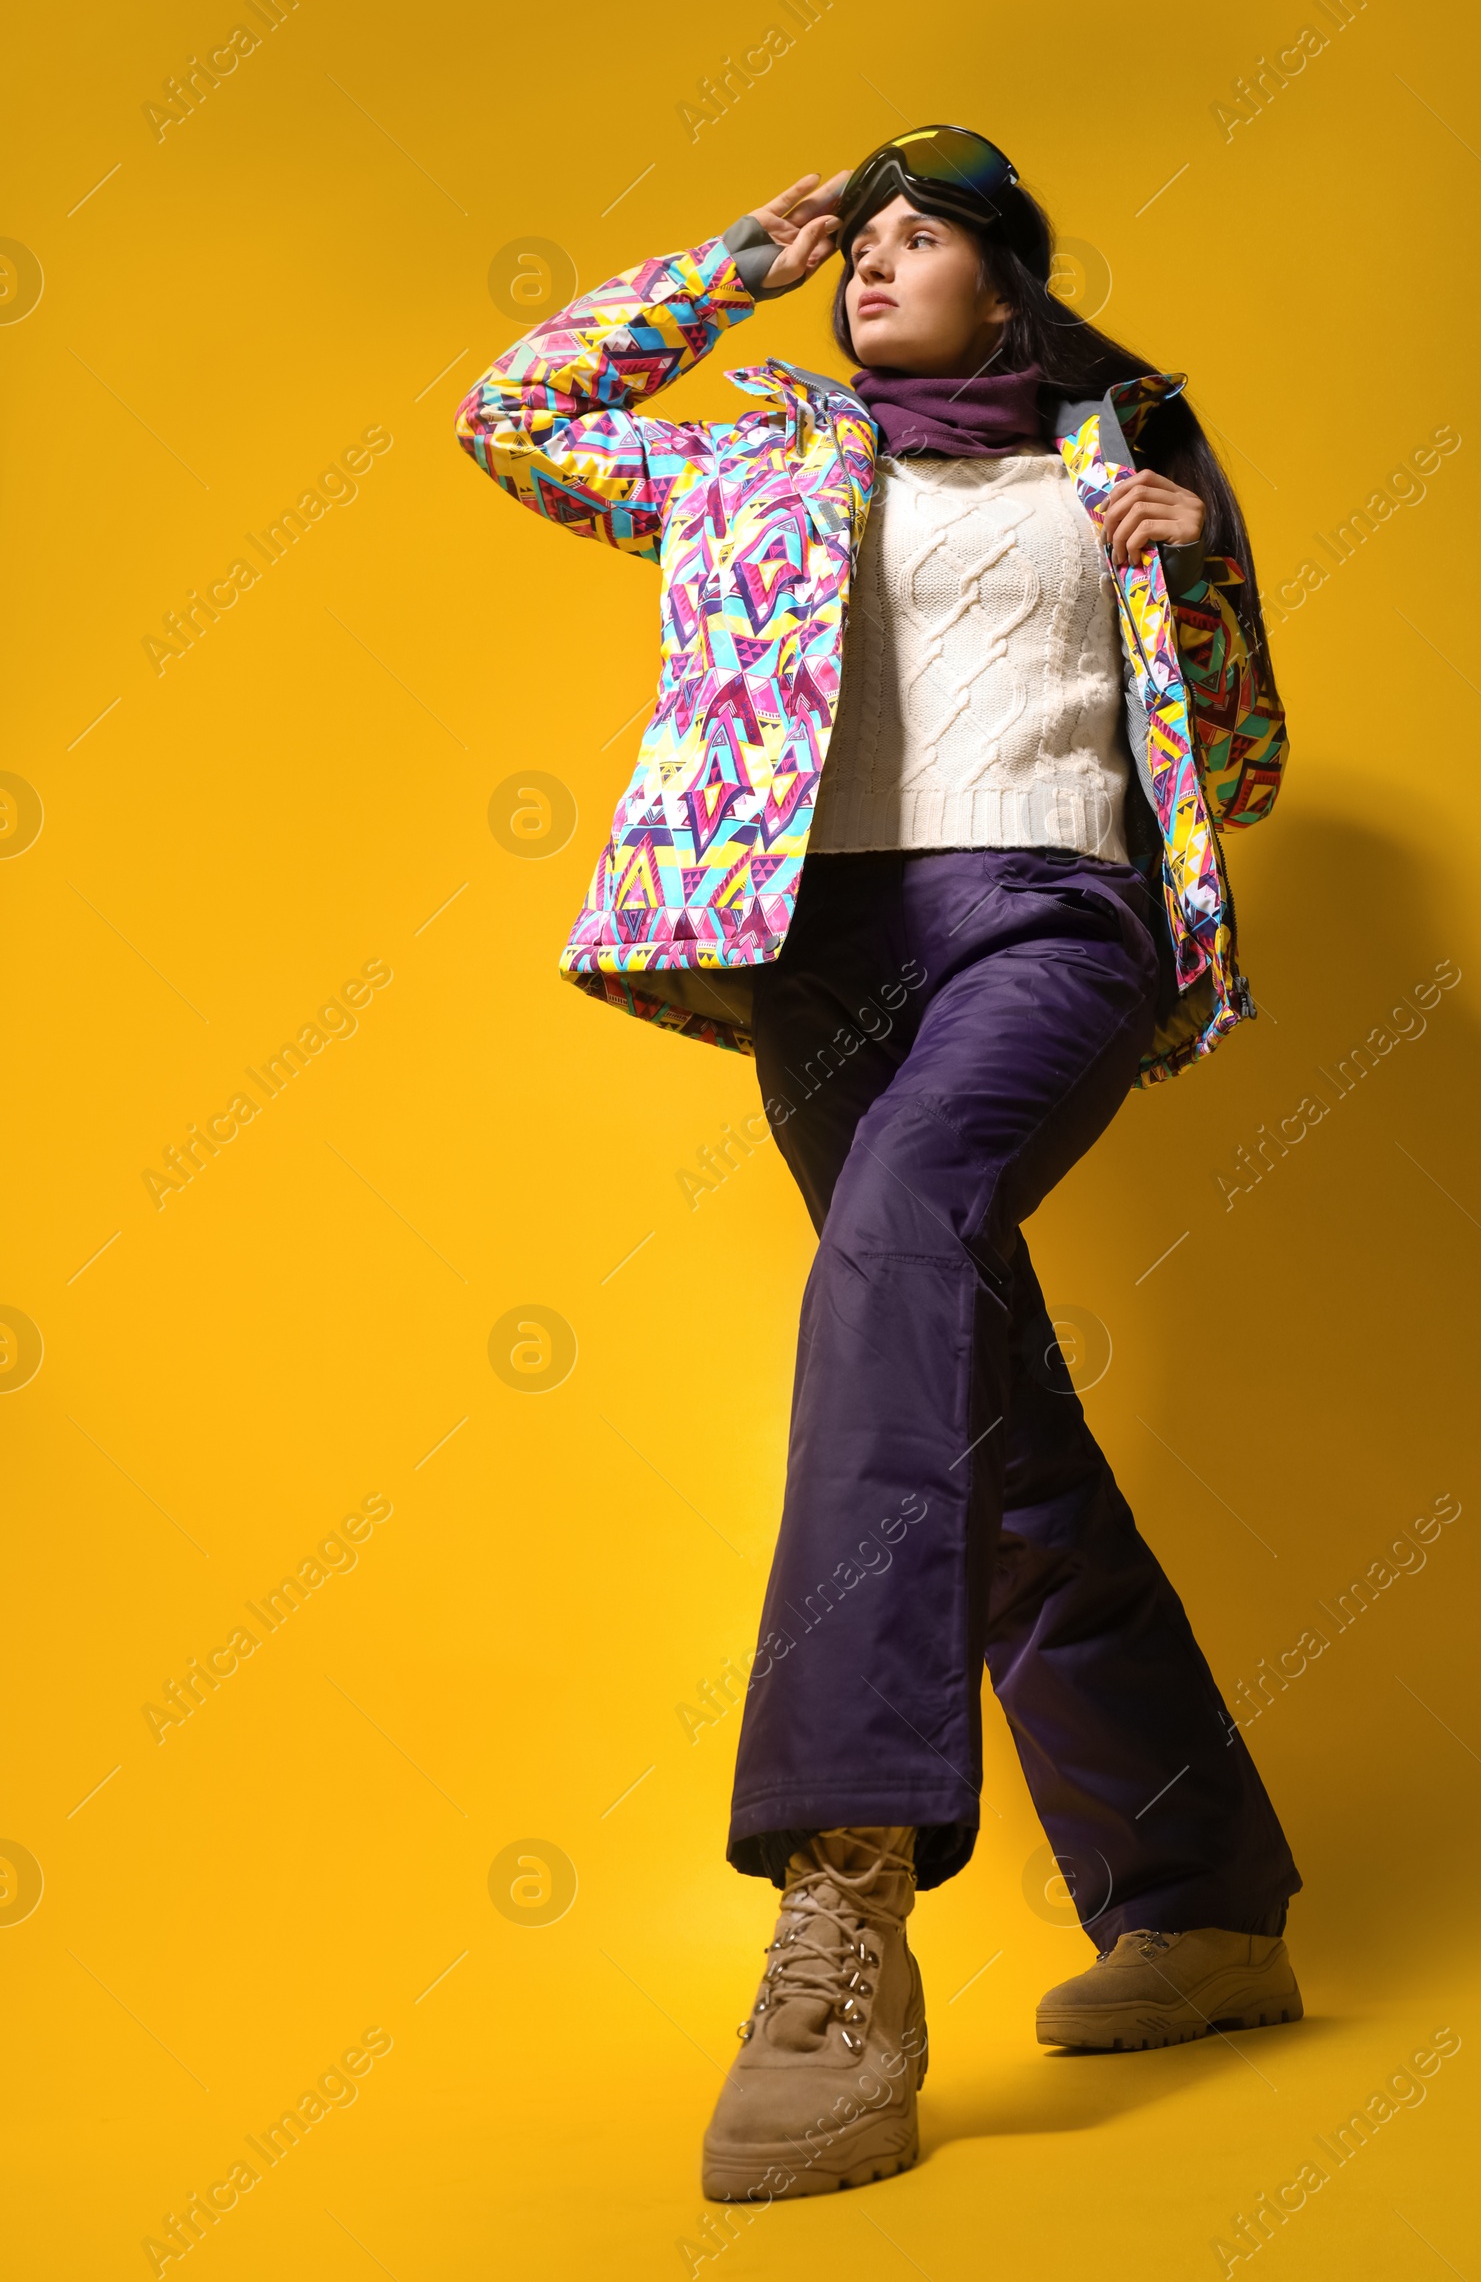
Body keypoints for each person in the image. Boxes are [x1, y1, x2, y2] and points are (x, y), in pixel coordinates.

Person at [456, 126, 1301, 2203]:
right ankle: (1195, 1896)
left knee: (898, 1244)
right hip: (820, 957)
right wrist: (744, 254)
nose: (872, 265)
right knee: (976, 1400)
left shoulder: (1106, 477)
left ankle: (839, 1903)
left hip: (1050, 922)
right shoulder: (748, 468)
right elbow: (513, 417)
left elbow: (1243, 754)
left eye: (919, 240)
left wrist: (1181, 560)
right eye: (861, 241)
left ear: (1007, 287)